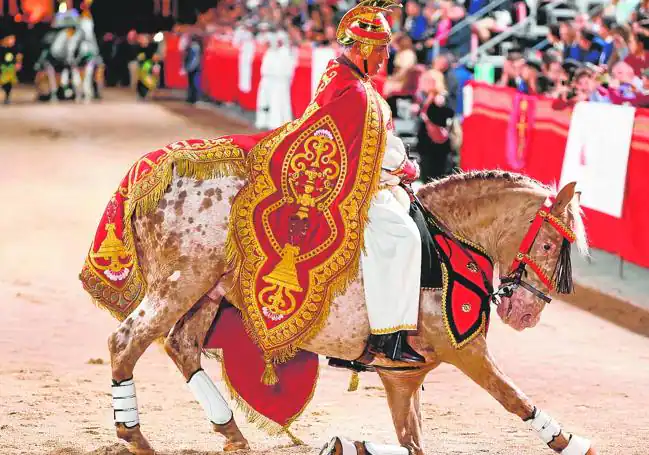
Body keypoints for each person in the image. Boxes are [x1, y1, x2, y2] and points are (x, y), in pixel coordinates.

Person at [227, 0, 425, 364]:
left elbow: (371, 139)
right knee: (404, 236)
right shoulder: (355, 91)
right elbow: (369, 147)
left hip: (357, 176)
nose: (385, 59)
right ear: (362, 49)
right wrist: (404, 169)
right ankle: (388, 338)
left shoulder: (345, 77)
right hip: (351, 188)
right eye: (380, 50)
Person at [0, 29, 22, 105]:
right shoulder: (2, 48)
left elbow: (19, 56)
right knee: (3, 83)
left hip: (10, 69)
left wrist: (18, 63)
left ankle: (7, 97)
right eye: (11, 39)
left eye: (13, 39)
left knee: (8, 85)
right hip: (2, 68)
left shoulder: (14, 48)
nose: (12, 41)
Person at [183, 33, 203, 104]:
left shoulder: (195, 47)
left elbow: (194, 59)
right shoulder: (193, 46)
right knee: (191, 83)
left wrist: (190, 67)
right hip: (193, 67)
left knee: (193, 83)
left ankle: (193, 98)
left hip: (194, 68)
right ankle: (191, 97)